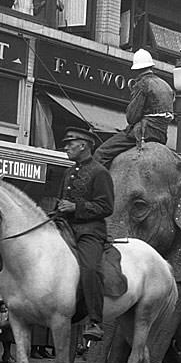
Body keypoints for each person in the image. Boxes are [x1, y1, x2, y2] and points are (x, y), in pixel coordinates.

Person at [57, 127, 114, 341]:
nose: (66, 147)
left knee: (89, 268)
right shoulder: (68, 172)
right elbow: (62, 201)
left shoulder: (100, 172)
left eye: (70, 143)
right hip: (64, 227)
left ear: (83, 145)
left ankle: (95, 321)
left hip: (90, 231)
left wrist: (75, 207)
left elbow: (107, 206)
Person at [93, 49, 175, 168]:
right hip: (161, 135)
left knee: (101, 153)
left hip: (143, 132)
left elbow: (132, 117)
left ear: (136, 70)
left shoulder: (143, 83)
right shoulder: (166, 85)